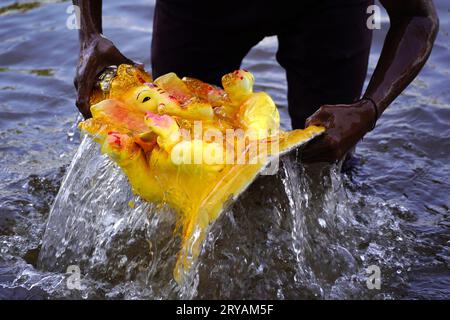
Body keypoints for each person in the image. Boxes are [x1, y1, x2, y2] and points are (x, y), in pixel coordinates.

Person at [72, 0, 438, 163]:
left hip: (326, 8)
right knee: (173, 145)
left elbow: (419, 16)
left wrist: (368, 109)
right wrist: (89, 35)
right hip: (203, 8)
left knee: (328, 156)